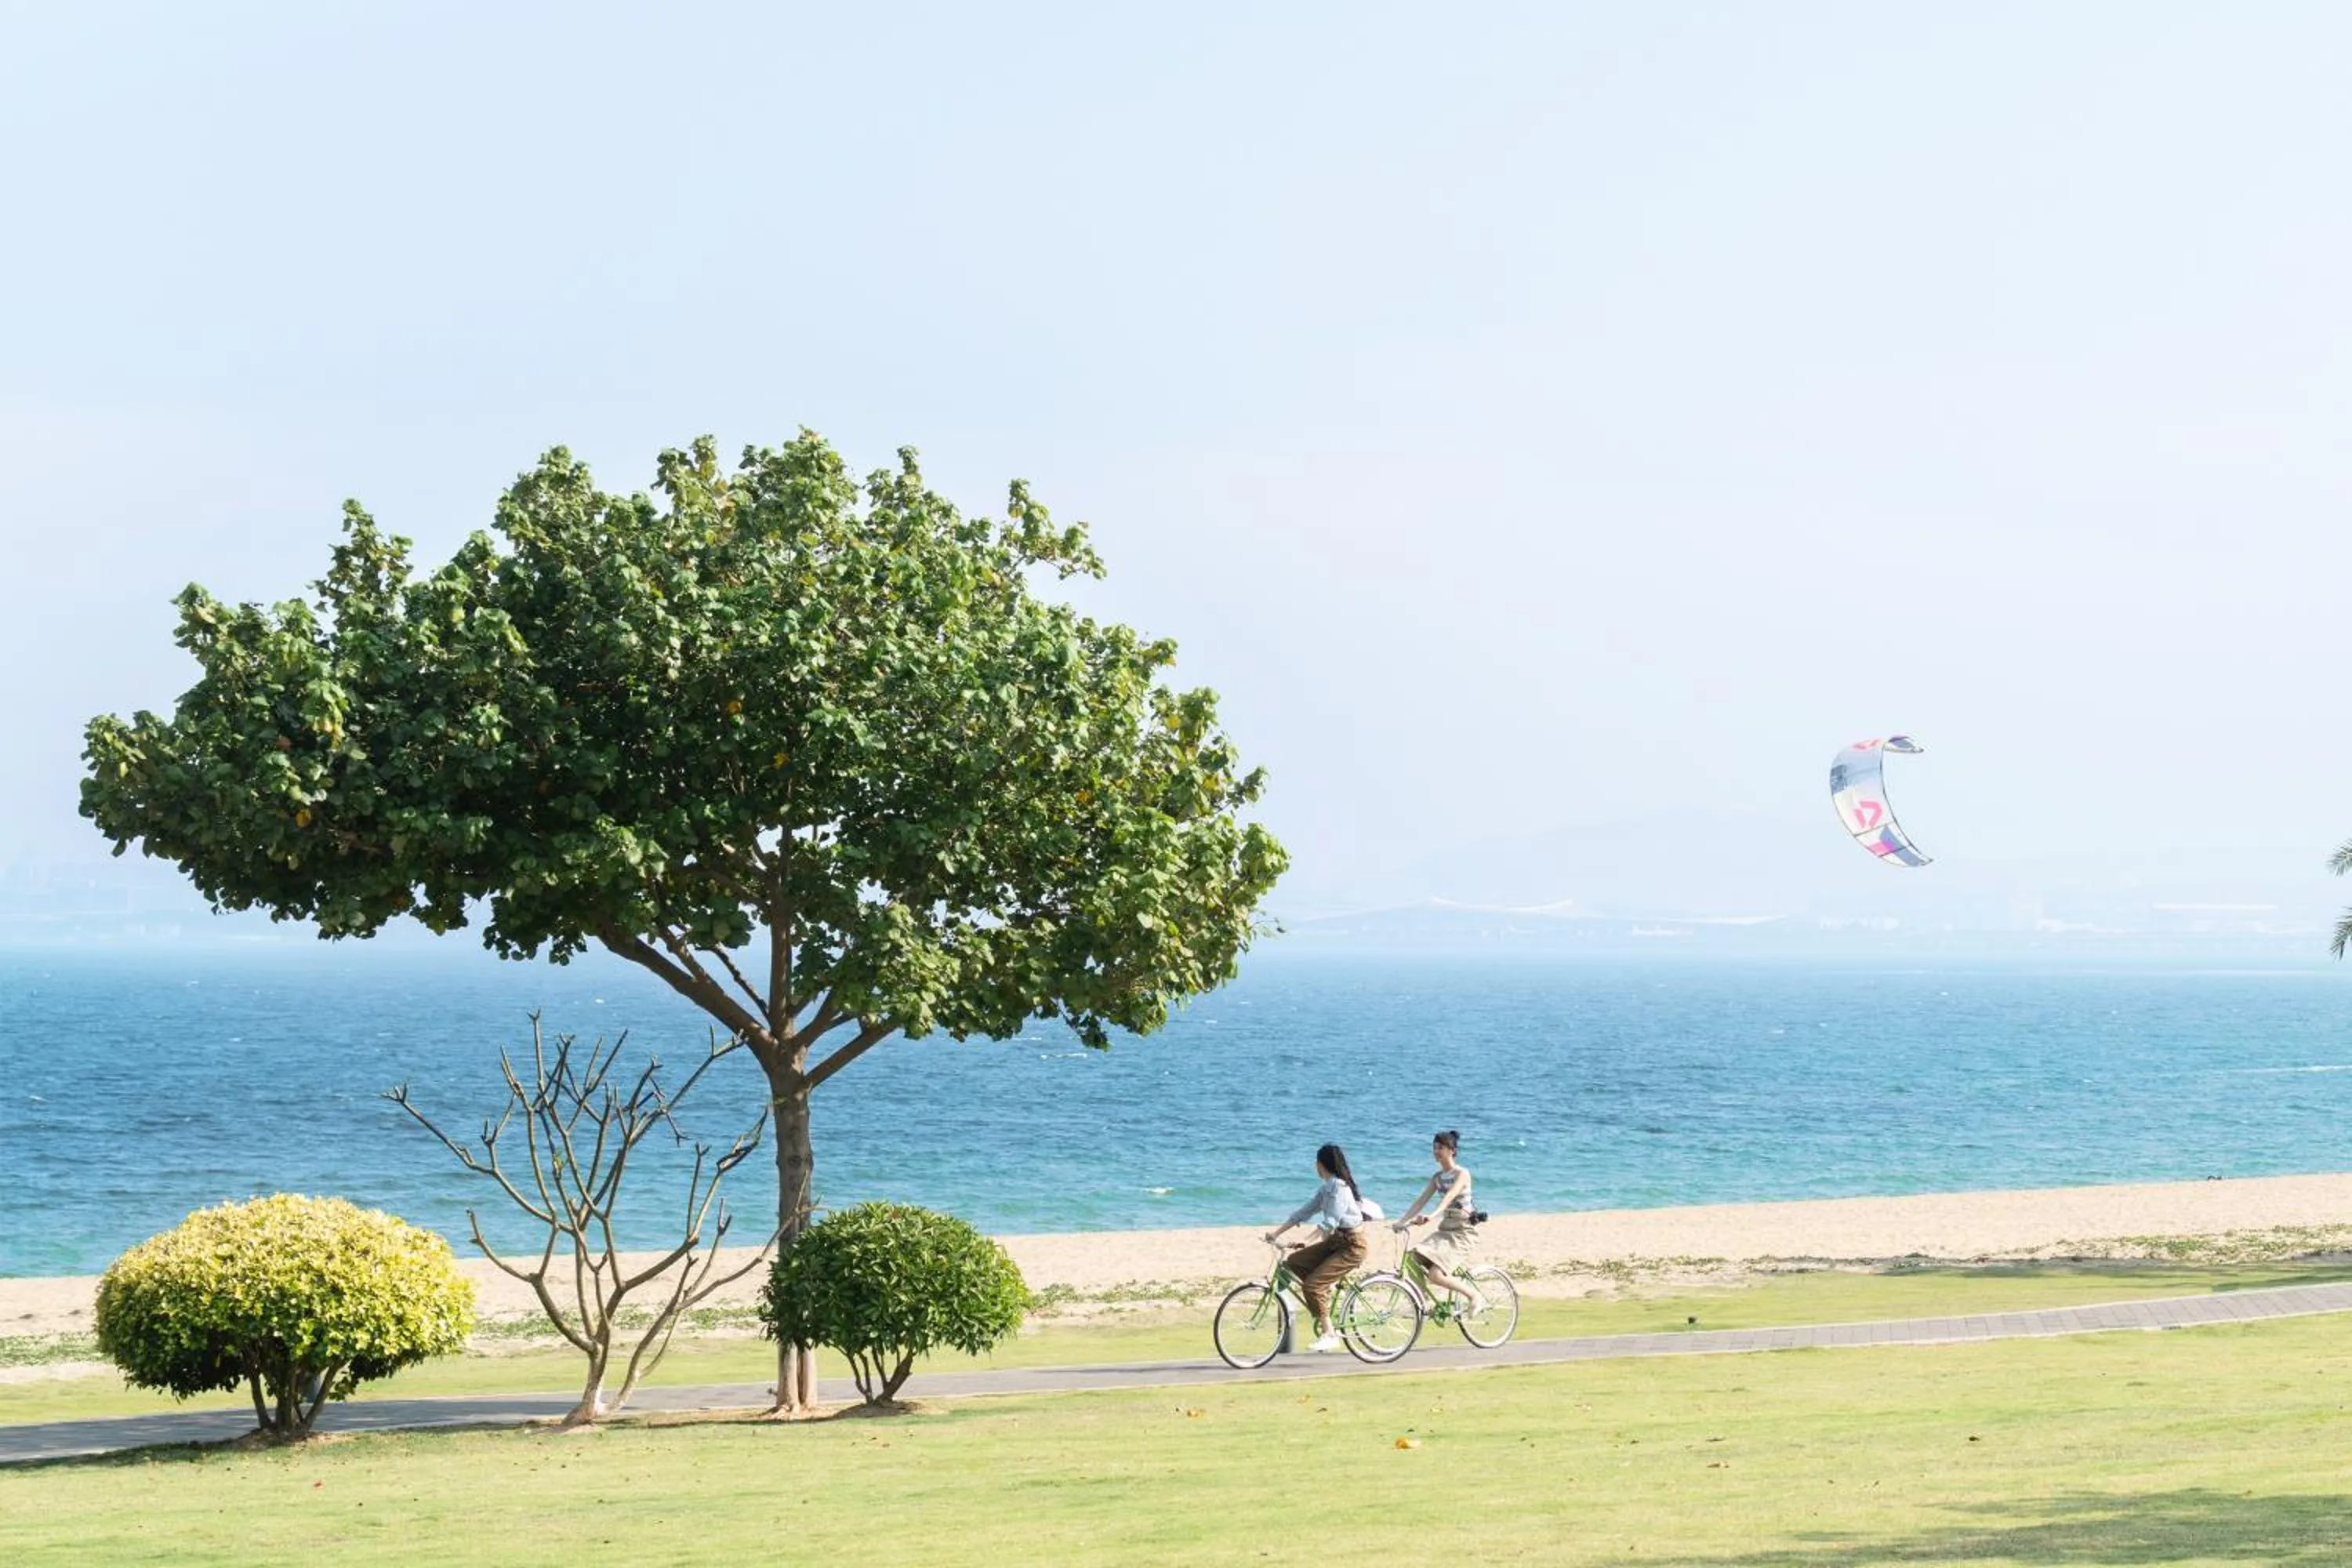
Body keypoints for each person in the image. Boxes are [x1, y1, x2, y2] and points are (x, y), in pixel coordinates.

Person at [1264, 1142, 1371, 1352]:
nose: (1315, 1166)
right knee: (1292, 1263)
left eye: (1316, 1162)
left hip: (1352, 1246)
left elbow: (1330, 1222)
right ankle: (1323, 1293)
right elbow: (1304, 1212)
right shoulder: (1327, 1187)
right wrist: (1276, 1233)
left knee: (1312, 1286)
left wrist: (1307, 1240)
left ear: (1321, 1164)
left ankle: (1330, 1334)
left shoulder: (1339, 1188)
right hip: (1335, 1242)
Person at [1394, 1129, 1485, 1316]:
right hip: (1445, 1230)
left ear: (1452, 1150)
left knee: (1435, 1275)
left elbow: (1450, 1196)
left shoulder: (1462, 1173)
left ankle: (1475, 1296)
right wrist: (1403, 1221)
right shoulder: (1437, 1178)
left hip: (1463, 1231)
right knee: (1411, 1259)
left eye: (1440, 1147)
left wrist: (1432, 1215)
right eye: (1434, 1147)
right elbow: (1420, 1201)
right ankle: (1423, 1303)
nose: (1436, 1151)